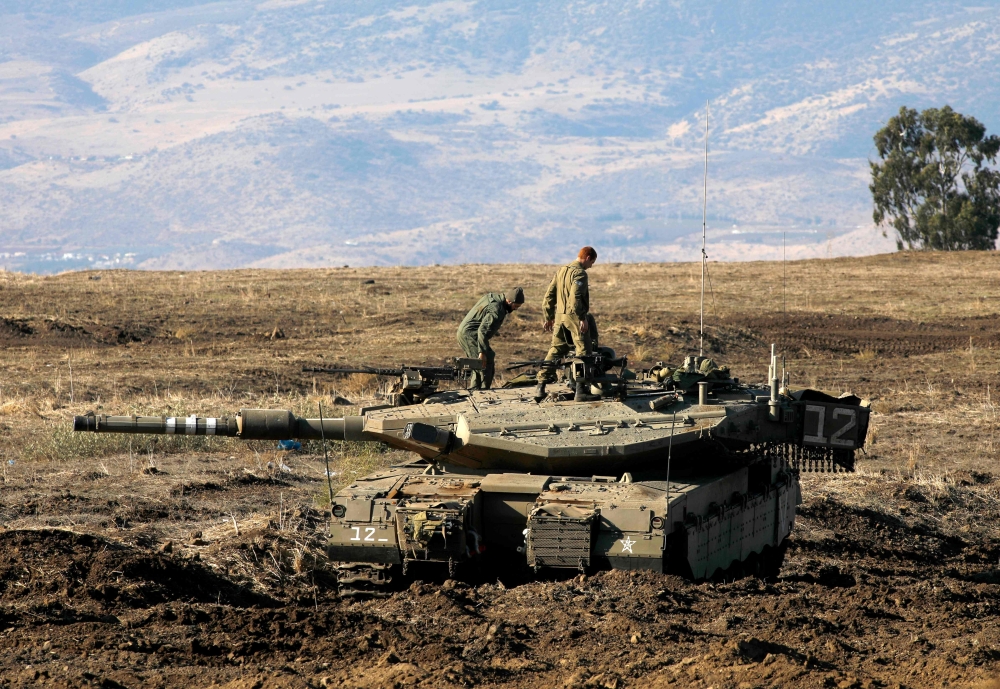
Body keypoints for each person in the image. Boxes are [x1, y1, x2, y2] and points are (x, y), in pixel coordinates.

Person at [535, 246, 599, 401]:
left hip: (559, 317)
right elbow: (576, 298)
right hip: (573, 317)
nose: (591, 266)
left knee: (555, 350)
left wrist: (549, 316)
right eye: (592, 262)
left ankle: (540, 387)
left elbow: (549, 295)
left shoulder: (562, 270)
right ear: (588, 257)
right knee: (583, 352)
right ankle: (580, 391)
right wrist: (582, 317)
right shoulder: (580, 273)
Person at [456, 287, 524, 389]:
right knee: (483, 364)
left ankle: (477, 390)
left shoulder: (494, 297)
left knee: (484, 360)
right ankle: (481, 392)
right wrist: (482, 352)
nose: (515, 309)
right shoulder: (497, 310)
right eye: (515, 306)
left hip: (468, 333)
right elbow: (482, 331)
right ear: (509, 301)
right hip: (470, 335)